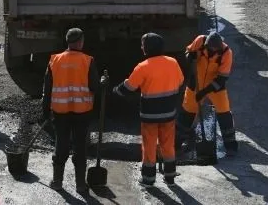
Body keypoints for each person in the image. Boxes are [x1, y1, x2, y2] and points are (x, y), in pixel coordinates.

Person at [112, 33, 184, 186]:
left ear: (146, 49)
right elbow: (180, 82)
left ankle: (148, 179)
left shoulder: (143, 67)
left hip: (149, 115)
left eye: (142, 45)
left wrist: (115, 90)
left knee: (149, 146)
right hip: (169, 114)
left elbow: (128, 87)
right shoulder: (173, 62)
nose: (141, 47)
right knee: (168, 145)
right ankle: (170, 177)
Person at [41, 28, 106, 195]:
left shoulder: (54, 60)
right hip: (82, 112)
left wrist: (45, 112)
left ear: (68, 41)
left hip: (60, 111)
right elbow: (94, 87)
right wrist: (102, 83)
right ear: (80, 42)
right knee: (80, 147)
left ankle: (57, 182)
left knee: (61, 144)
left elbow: (47, 89)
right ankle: (80, 186)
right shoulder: (88, 61)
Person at [175, 31, 238, 156]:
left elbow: (221, 79)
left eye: (215, 49)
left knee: (224, 113)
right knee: (187, 113)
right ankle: (175, 144)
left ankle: (231, 147)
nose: (212, 50)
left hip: (215, 86)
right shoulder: (200, 40)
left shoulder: (226, 53)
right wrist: (190, 56)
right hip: (196, 83)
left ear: (219, 47)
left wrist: (203, 92)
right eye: (210, 48)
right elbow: (188, 52)